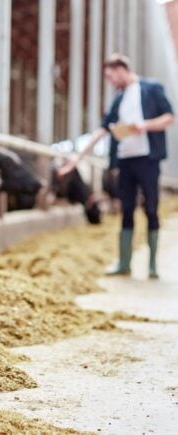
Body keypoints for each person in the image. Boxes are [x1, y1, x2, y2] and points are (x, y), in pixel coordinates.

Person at [58, 54, 174, 279]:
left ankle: (152, 265)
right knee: (126, 209)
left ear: (121, 69)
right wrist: (76, 160)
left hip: (148, 159)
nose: (110, 82)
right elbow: (102, 131)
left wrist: (144, 126)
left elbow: (169, 117)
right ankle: (124, 263)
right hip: (125, 161)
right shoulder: (118, 100)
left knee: (151, 207)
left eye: (111, 76)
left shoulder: (151, 88)